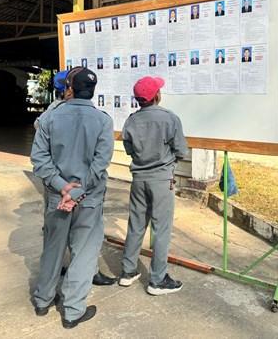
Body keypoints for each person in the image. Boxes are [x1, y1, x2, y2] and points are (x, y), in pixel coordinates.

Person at [31, 66, 115, 329]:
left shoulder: (49, 118)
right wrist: (76, 192)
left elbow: (39, 159)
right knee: (84, 253)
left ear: (69, 89)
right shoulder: (103, 121)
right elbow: (100, 164)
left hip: (57, 196)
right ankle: (72, 311)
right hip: (88, 198)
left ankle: (43, 300)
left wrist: (62, 188)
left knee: (53, 248)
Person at [118, 76, 188, 296]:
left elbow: (129, 148)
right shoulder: (170, 118)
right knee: (161, 230)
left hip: (138, 179)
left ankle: (128, 272)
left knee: (136, 225)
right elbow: (181, 150)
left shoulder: (131, 120)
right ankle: (157, 280)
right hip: (161, 180)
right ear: (157, 95)